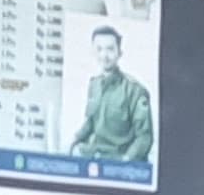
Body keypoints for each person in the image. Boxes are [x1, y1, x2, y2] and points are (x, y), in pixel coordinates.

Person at [66, 28, 157, 169]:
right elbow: (91, 122)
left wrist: (125, 161)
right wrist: (73, 141)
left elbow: (144, 137)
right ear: (93, 52)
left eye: (110, 49)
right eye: (99, 49)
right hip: (94, 155)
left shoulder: (135, 90)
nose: (104, 55)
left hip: (118, 158)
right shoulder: (94, 84)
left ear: (120, 52)